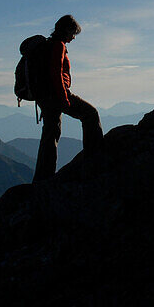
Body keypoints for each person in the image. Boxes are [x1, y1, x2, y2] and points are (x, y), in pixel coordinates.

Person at [32, 14, 103, 182]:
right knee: (90, 114)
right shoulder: (58, 46)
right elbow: (56, 73)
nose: (73, 38)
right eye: (73, 33)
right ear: (67, 30)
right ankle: (95, 156)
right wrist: (64, 99)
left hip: (44, 96)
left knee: (50, 133)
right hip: (57, 94)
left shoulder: (49, 45)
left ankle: (43, 176)